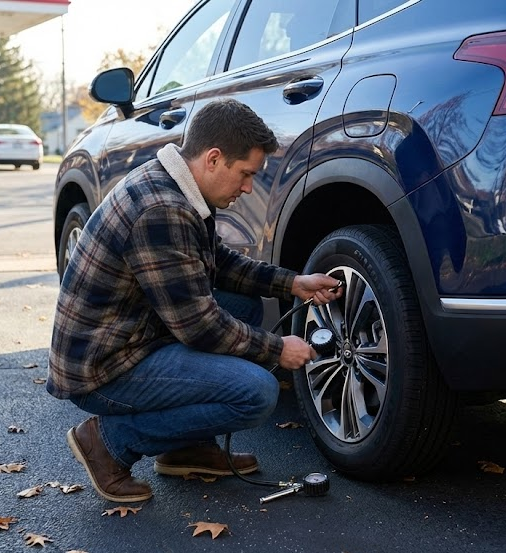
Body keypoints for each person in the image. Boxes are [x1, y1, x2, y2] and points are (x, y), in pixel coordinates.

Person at [47, 98, 342, 503]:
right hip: (103, 368)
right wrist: (276, 349)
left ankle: (184, 448)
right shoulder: (162, 209)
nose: (247, 187)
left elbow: (217, 264)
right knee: (256, 392)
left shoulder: (178, 185)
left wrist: (293, 284)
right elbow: (200, 327)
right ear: (214, 159)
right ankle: (108, 442)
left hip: (132, 333)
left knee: (245, 307)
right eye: (245, 174)